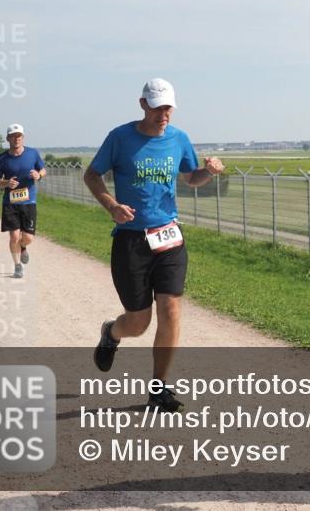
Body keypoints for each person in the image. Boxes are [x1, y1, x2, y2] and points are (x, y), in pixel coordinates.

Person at [84, 78, 224, 413]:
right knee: (138, 323)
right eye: (157, 108)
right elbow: (92, 175)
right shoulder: (120, 138)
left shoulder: (179, 138)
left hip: (168, 236)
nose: (164, 115)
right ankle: (112, 333)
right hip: (131, 240)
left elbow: (191, 178)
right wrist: (112, 206)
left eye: (168, 108)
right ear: (143, 104)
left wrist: (208, 172)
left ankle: (159, 389)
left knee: (171, 309)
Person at [0, 125, 46, 279]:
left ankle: (23, 247)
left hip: (29, 201)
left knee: (28, 238)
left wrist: (38, 175)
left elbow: (43, 170)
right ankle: (17, 266)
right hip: (10, 202)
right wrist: (6, 183)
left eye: (19, 136)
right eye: (13, 136)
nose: (16, 139)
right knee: (14, 236)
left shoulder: (32, 153)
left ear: (23, 137)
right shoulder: (2, 158)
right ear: (8, 138)